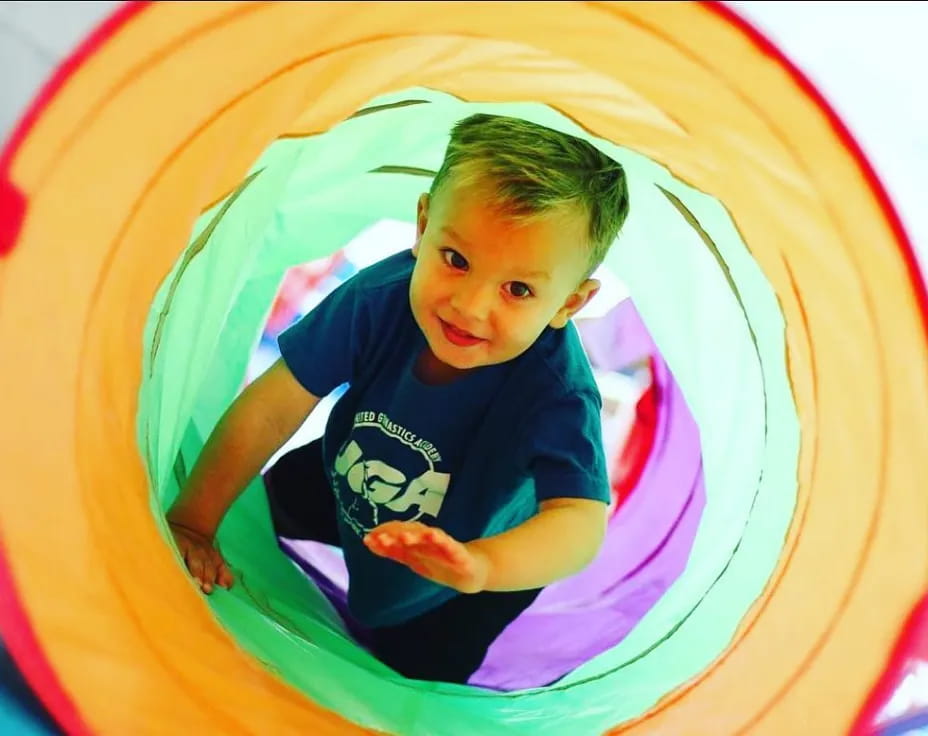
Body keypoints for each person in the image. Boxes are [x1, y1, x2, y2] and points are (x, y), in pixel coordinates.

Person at [166, 113, 630, 684]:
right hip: (345, 480)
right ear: (423, 225)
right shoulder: (380, 297)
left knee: (410, 677)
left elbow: (580, 524)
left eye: (518, 289)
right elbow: (271, 405)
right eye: (456, 260)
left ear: (569, 304)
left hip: (461, 570)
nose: (470, 306)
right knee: (260, 510)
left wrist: (484, 566)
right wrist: (193, 523)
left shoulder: (557, 391)